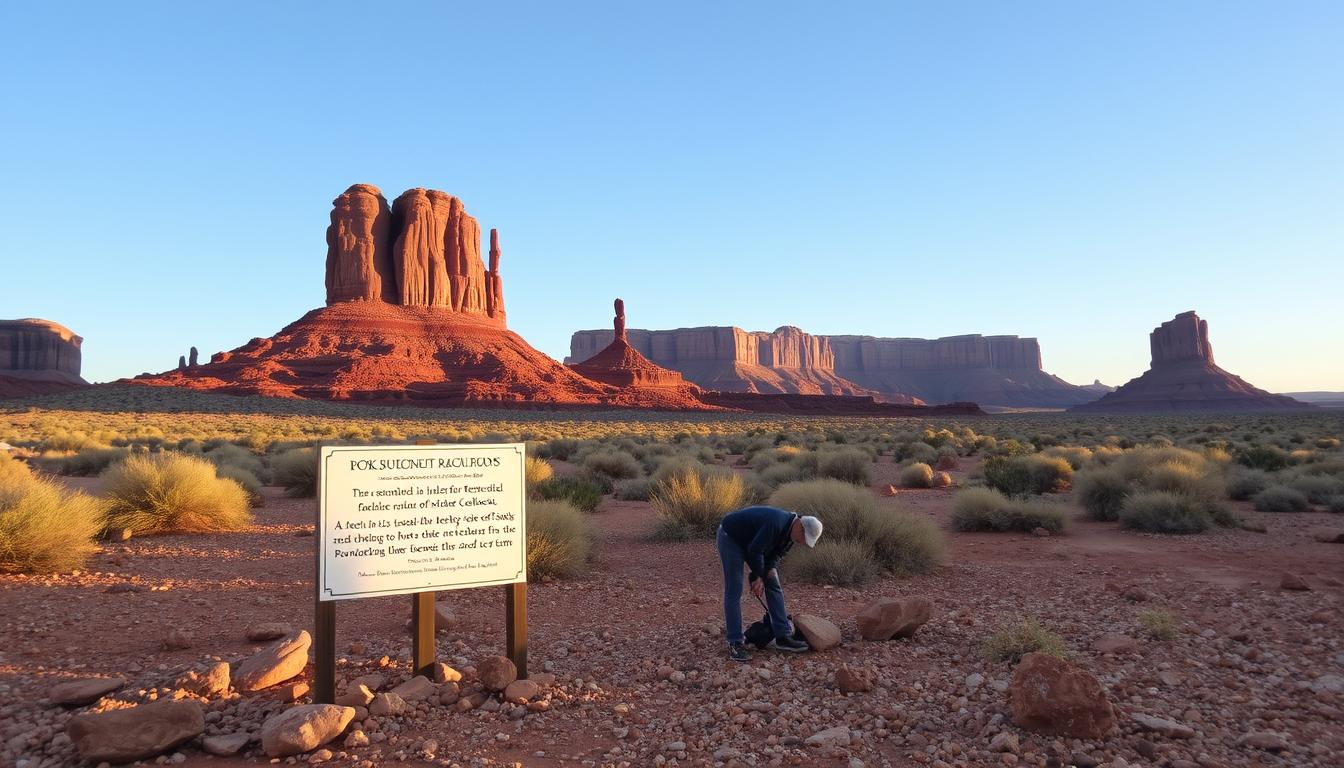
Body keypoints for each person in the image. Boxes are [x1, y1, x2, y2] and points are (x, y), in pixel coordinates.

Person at [717, 505, 823, 662]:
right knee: (735, 589)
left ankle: (782, 636)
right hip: (731, 537)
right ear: (800, 527)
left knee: (773, 581)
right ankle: (735, 642)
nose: (802, 543)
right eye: (803, 539)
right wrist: (757, 576)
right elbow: (755, 550)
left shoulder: (792, 534)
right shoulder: (776, 523)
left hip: (753, 542)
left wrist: (769, 570)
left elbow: (776, 555)